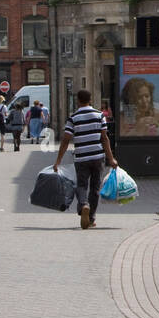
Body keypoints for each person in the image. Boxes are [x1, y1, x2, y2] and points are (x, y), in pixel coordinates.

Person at [53, 90, 118, 230]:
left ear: (78, 100)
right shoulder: (99, 115)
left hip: (81, 157)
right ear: (90, 100)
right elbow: (104, 138)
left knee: (81, 185)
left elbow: (65, 140)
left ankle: (83, 205)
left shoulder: (73, 117)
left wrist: (58, 161)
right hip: (97, 157)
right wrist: (111, 159)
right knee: (95, 188)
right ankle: (91, 218)